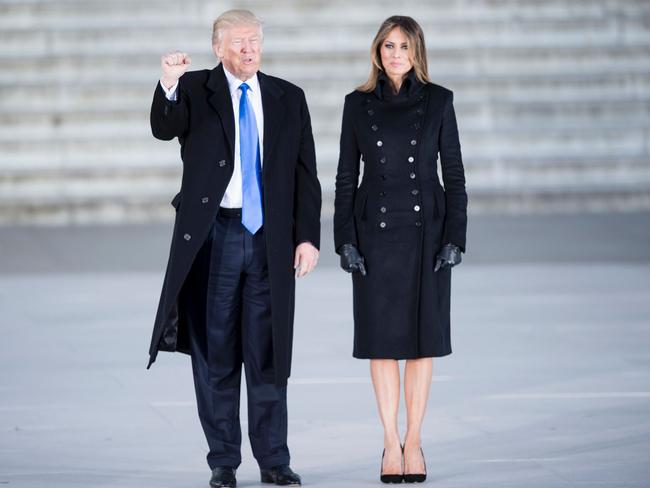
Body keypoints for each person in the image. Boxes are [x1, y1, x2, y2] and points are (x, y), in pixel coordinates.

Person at [147, 9, 321, 488]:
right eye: (239, 42)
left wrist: (307, 237)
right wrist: (168, 81)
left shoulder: (288, 96)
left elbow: (306, 174)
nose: (248, 49)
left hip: (270, 240)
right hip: (216, 236)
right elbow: (165, 126)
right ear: (218, 47)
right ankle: (223, 461)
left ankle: (274, 461)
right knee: (216, 352)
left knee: (267, 354)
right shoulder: (197, 90)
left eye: (255, 41)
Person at [333, 15, 468, 484]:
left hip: (427, 236)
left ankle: (415, 442)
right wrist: (345, 240)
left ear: (417, 53)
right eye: (388, 46)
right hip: (375, 236)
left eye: (403, 47)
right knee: (381, 344)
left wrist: (455, 238)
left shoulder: (439, 101)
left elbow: (454, 174)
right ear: (377, 50)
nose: (395, 54)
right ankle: (390, 441)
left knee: (421, 344)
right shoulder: (357, 104)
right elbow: (346, 178)